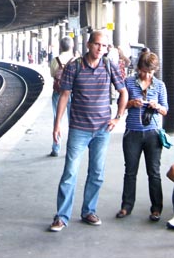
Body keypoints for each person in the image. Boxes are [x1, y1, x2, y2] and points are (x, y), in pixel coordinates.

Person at [49, 30, 127, 232]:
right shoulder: (74, 67)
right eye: (97, 45)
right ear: (88, 44)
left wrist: (117, 117)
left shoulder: (109, 66)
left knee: (97, 173)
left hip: (102, 130)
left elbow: (123, 92)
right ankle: (61, 217)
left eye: (104, 46)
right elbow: (64, 95)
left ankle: (89, 211)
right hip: (78, 129)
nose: (100, 49)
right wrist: (57, 125)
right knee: (69, 173)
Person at [116, 50, 169, 222]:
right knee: (130, 171)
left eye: (150, 72)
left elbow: (165, 110)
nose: (146, 75)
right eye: (144, 71)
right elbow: (120, 106)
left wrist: (157, 106)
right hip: (132, 132)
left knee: (154, 172)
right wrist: (131, 103)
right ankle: (126, 206)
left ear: (155, 70)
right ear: (138, 68)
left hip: (153, 133)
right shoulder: (129, 83)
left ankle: (156, 208)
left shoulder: (160, 85)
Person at [49, 36, 75, 157]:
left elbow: (53, 74)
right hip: (73, 93)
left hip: (58, 92)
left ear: (60, 47)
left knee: (57, 118)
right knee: (73, 121)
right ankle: (72, 148)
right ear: (72, 46)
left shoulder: (55, 60)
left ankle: (56, 147)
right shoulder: (76, 60)